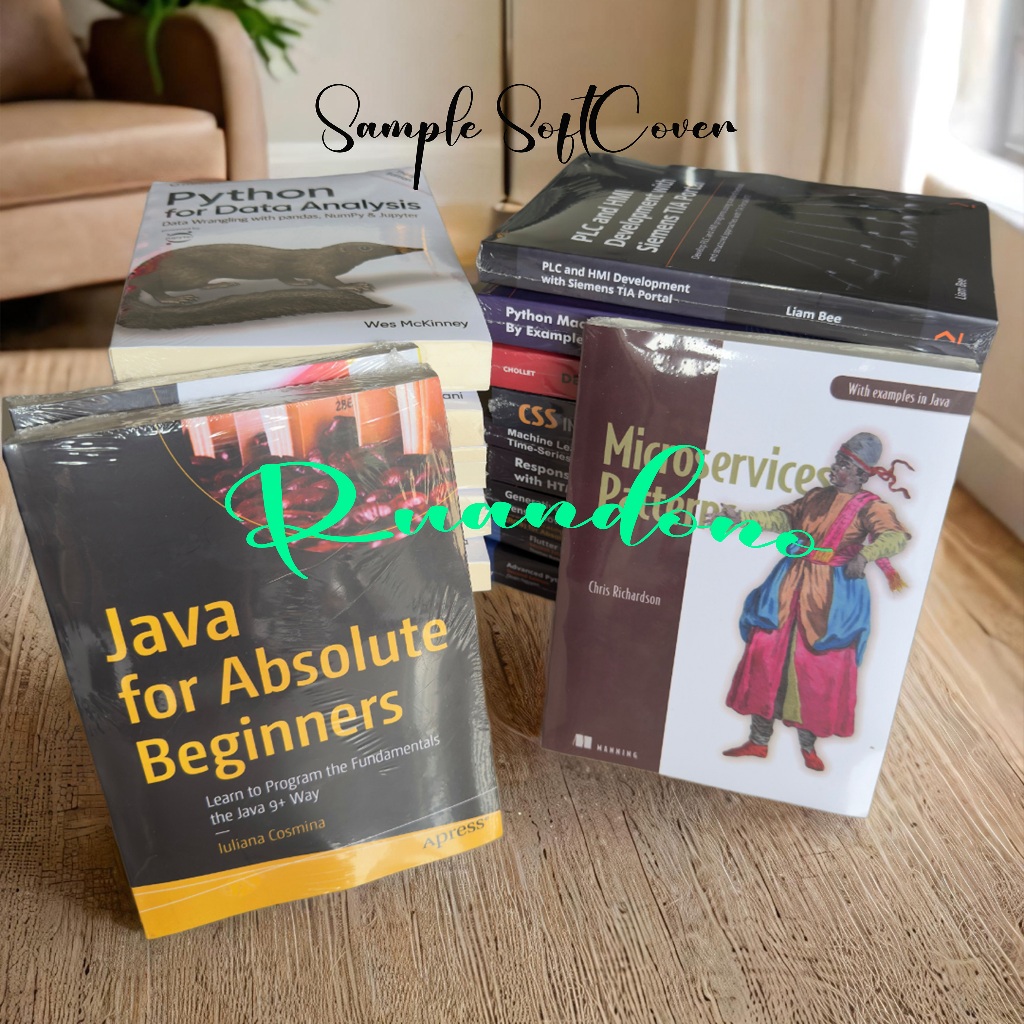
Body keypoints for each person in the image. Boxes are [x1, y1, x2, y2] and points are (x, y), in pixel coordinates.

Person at [720, 432, 912, 772]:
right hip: (788, 586)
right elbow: (783, 519)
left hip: (833, 597)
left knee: (818, 669)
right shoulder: (816, 496)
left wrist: (866, 555)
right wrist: (743, 518)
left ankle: (808, 747)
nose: (835, 468)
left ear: (860, 473)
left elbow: (895, 537)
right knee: (767, 655)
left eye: (843, 464)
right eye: (837, 461)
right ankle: (758, 741)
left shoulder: (872, 507)